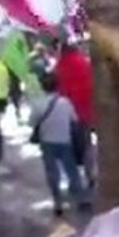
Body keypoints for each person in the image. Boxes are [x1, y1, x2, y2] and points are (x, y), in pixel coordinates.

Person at [30, 73, 89, 217]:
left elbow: (31, 122)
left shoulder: (38, 104)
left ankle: (58, 203)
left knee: (52, 173)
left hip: (47, 142)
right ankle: (80, 199)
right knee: (71, 171)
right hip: (65, 140)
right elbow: (74, 120)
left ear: (42, 86)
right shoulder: (65, 102)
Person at [54, 39, 95, 187]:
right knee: (87, 146)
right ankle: (91, 176)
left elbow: (58, 90)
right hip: (86, 112)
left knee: (69, 149)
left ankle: (74, 180)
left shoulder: (60, 67)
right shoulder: (84, 63)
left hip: (66, 114)